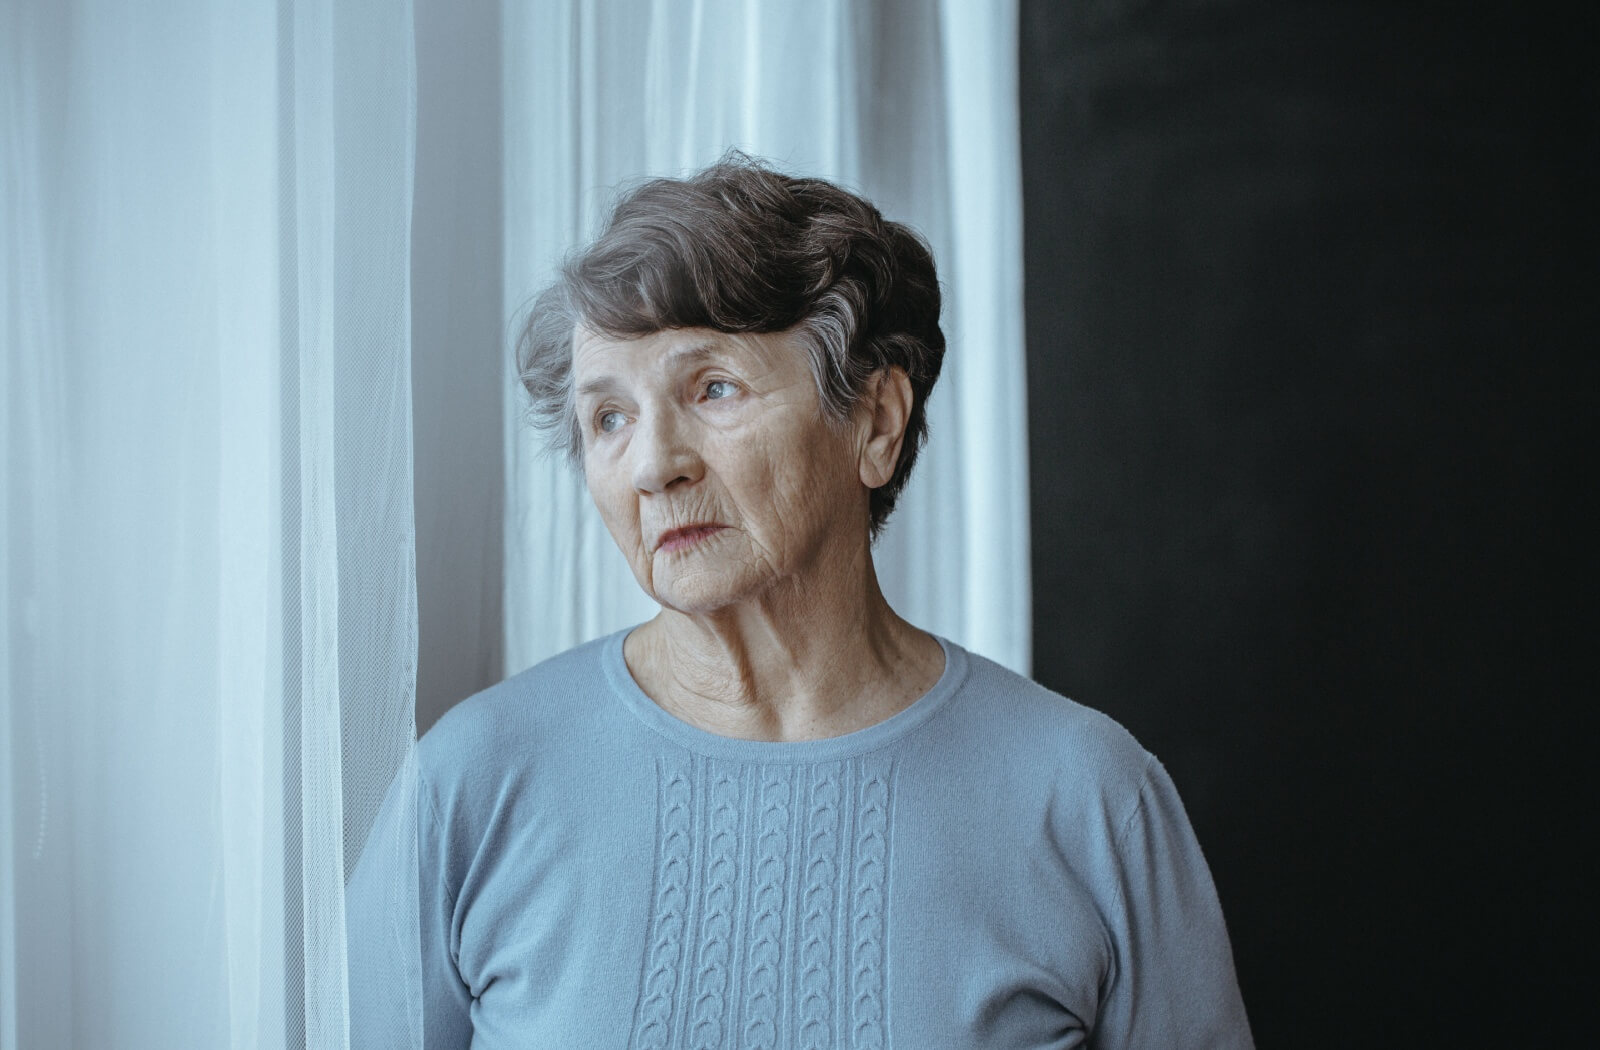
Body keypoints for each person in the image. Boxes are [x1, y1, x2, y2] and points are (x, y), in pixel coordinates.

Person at [348, 154, 1253, 1048]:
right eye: (608, 417)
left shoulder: (1092, 798)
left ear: (875, 422)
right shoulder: (469, 786)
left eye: (713, 388)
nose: (655, 464)